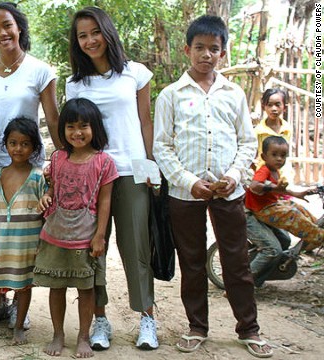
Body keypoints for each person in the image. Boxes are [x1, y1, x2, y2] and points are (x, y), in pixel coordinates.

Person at [154, 15, 273, 358]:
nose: (207, 55)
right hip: (185, 194)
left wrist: (234, 176)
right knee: (191, 261)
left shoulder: (233, 94)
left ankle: (249, 329)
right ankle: (197, 327)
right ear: (186, 49)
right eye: (200, 48)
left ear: (224, 52)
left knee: (235, 260)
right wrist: (189, 182)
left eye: (214, 49)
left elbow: (247, 142)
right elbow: (162, 145)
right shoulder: (171, 95)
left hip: (228, 191)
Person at [65, 6, 157, 350]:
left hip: (131, 172)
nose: (90, 40)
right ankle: (100, 320)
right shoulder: (75, 85)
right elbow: (71, 132)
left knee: (136, 247)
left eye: (95, 32)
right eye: (82, 35)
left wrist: (150, 167)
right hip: (90, 174)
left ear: (107, 32)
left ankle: (147, 318)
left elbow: (145, 122)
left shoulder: (136, 73)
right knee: (93, 250)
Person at [34, 98, 117, 358]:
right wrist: (46, 196)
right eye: (70, 126)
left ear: (95, 128)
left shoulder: (104, 162)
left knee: (86, 288)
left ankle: (83, 336)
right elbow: (53, 190)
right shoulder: (58, 158)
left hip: (85, 236)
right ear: (63, 130)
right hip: (55, 233)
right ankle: (58, 334)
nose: (77, 132)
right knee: (56, 287)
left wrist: (100, 236)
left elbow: (105, 202)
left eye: (84, 126)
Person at [0, 117, 45, 345]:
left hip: (27, 244)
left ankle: (19, 328)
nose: (18, 148)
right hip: (2, 243)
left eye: (25, 144)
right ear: (6, 144)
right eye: (13, 143)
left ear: (34, 147)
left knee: (23, 287)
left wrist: (42, 243)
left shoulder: (38, 177)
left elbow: (45, 212)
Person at [0, 1, 60, 168]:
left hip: (28, 166)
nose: (2, 33)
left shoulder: (40, 70)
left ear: (19, 27)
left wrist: (65, 160)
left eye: (7, 25)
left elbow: (53, 121)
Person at [247, 88, 292, 285]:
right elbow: (251, 158)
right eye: (270, 104)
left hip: (278, 183)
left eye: (278, 104)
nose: (274, 108)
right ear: (264, 106)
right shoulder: (258, 132)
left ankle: (262, 274)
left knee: (285, 238)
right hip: (262, 185)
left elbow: (285, 158)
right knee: (273, 246)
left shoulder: (287, 128)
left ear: (285, 106)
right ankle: (243, 282)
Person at [245, 136, 324, 250]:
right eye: (274, 155)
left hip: (271, 205)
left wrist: (298, 194)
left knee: (297, 207)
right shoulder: (264, 170)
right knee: (292, 214)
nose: (279, 159)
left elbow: (279, 190)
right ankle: (318, 236)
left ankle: (315, 230)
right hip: (262, 210)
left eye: (283, 156)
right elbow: (254, 186)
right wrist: (272, 187)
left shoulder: (275, 171)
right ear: (264, 156)